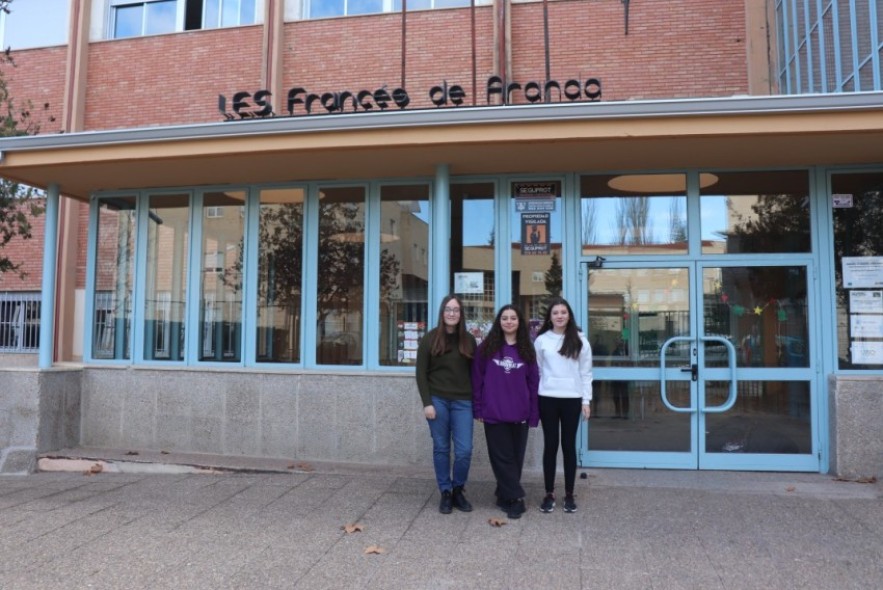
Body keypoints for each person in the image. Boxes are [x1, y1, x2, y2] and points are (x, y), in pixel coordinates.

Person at [471, 304, 539, 520]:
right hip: (494, 412)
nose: (509, 321)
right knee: (502, 457)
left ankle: (504, 495)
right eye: (504, 318)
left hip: (520, 412)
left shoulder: (527, 349)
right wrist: (478, 407)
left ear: (519, 322)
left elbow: (534, 383)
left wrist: (534, 413)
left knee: (516, 458)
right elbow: (477, 380)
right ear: (499, 322)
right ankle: (516, 498)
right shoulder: (486, 349)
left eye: (513, 318)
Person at [416, 294, 478, 514]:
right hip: (438, 401)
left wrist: (477, 403)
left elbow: (476, 374)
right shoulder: (430, 339)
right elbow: (420, 373)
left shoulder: (469, 341)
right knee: (441, 448)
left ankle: (458, 489)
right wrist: (427, 403)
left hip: (463, 402)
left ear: (461, 315)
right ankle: (445, 491)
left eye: (456, 310)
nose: (452, 313)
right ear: (442, 313)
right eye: (448, 309)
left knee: (464, 451)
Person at [534, 296, 593, 513]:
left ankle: (569, 494)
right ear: (550, 317)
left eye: (563, 312)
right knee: (550, 446)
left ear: (569, 316)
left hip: (572, 399)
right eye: (555, 313)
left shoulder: (580, 340)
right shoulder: (541, 341)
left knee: (568, 446)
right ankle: (549, 493)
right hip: (547, 398)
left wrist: (586, 400)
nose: (560, 316)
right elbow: (538, 371)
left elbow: (586, 373)